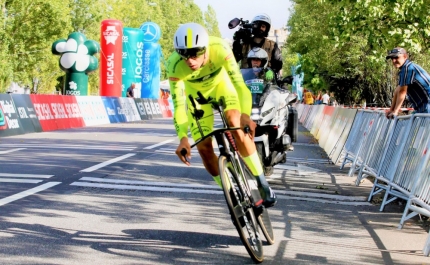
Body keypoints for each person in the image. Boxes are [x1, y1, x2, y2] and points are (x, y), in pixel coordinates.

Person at [166, 23, 277, 208]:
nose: (189, 61)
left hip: (221, 87)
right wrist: (183, 138)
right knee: (203, 148)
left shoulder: (220, 48)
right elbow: (178, 105)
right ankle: (231, 193)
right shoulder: (174, 65)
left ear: (205, 48)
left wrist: (245, 115)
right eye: (184, 55)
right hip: (197, 97)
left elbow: (240, 86)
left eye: (195, 54)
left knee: (235, 122)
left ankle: (262, 183)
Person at [232, 13, 283, 80]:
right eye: (258, 26)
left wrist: (271, 70)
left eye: (263, 27)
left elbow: (278, 63)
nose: (260, 29)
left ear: (267, 29)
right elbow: (233, 59)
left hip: (266, 83)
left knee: (282, 89)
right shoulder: (244, 45)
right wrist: (237, 41)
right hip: (246, 82)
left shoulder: (272, 45)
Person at [385, 47, 430, 118]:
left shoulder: (408, 69)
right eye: (392, 58)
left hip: (427, 105)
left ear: (405, 56)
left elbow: (402, 92)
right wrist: (392, 110)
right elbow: (398, 89)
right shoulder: (405, 68)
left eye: (396, 57)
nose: (394, 61)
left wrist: (395, 112)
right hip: (422, 107)